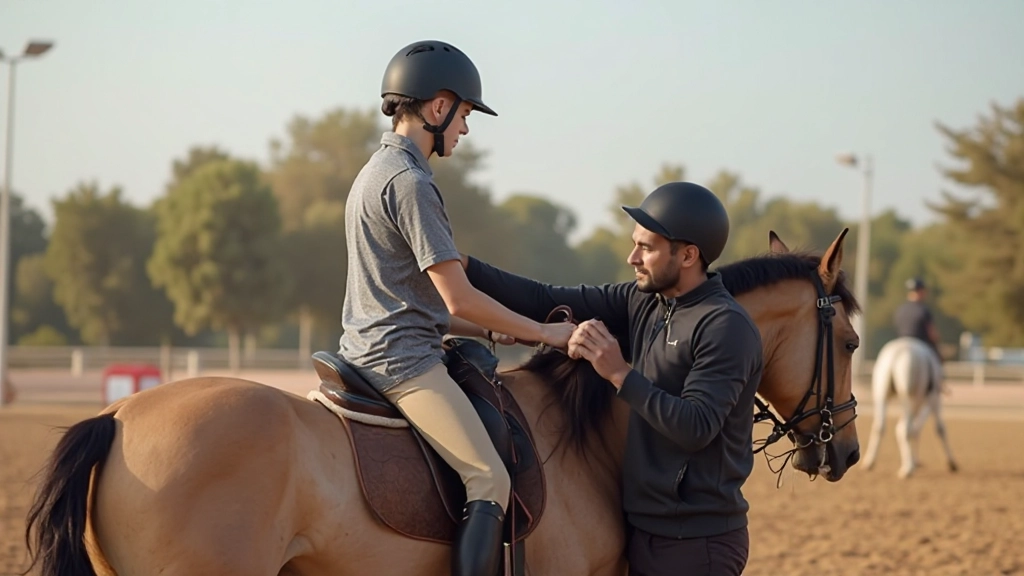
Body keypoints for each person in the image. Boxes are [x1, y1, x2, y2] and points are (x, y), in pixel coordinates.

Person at [337, 39, 575, 576]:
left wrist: (497, 332)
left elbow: (413, 302)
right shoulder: (411, 183)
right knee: (490, 478)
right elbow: (458, 296)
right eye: (465, 114)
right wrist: (545, 333)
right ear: (438, 107)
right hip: (401, 363)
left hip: (368, 344)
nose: (465, 129)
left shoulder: (374, 171)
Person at [460, 181, 764, 576]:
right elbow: (544, 297)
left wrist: (619, 372)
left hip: (697, 542)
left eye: (647, 248)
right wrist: (457, 264)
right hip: (642, 531)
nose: (631, 257)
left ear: (689, 255)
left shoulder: (725, 326)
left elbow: (696, 426)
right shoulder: (645, 299)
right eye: (634, 243)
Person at [893, 277, 943, 364]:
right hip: (920, 343)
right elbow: (932, 333)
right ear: (921, 291)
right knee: (937, 361)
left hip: (900, 341)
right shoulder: (924, 310)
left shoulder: (900, 309)